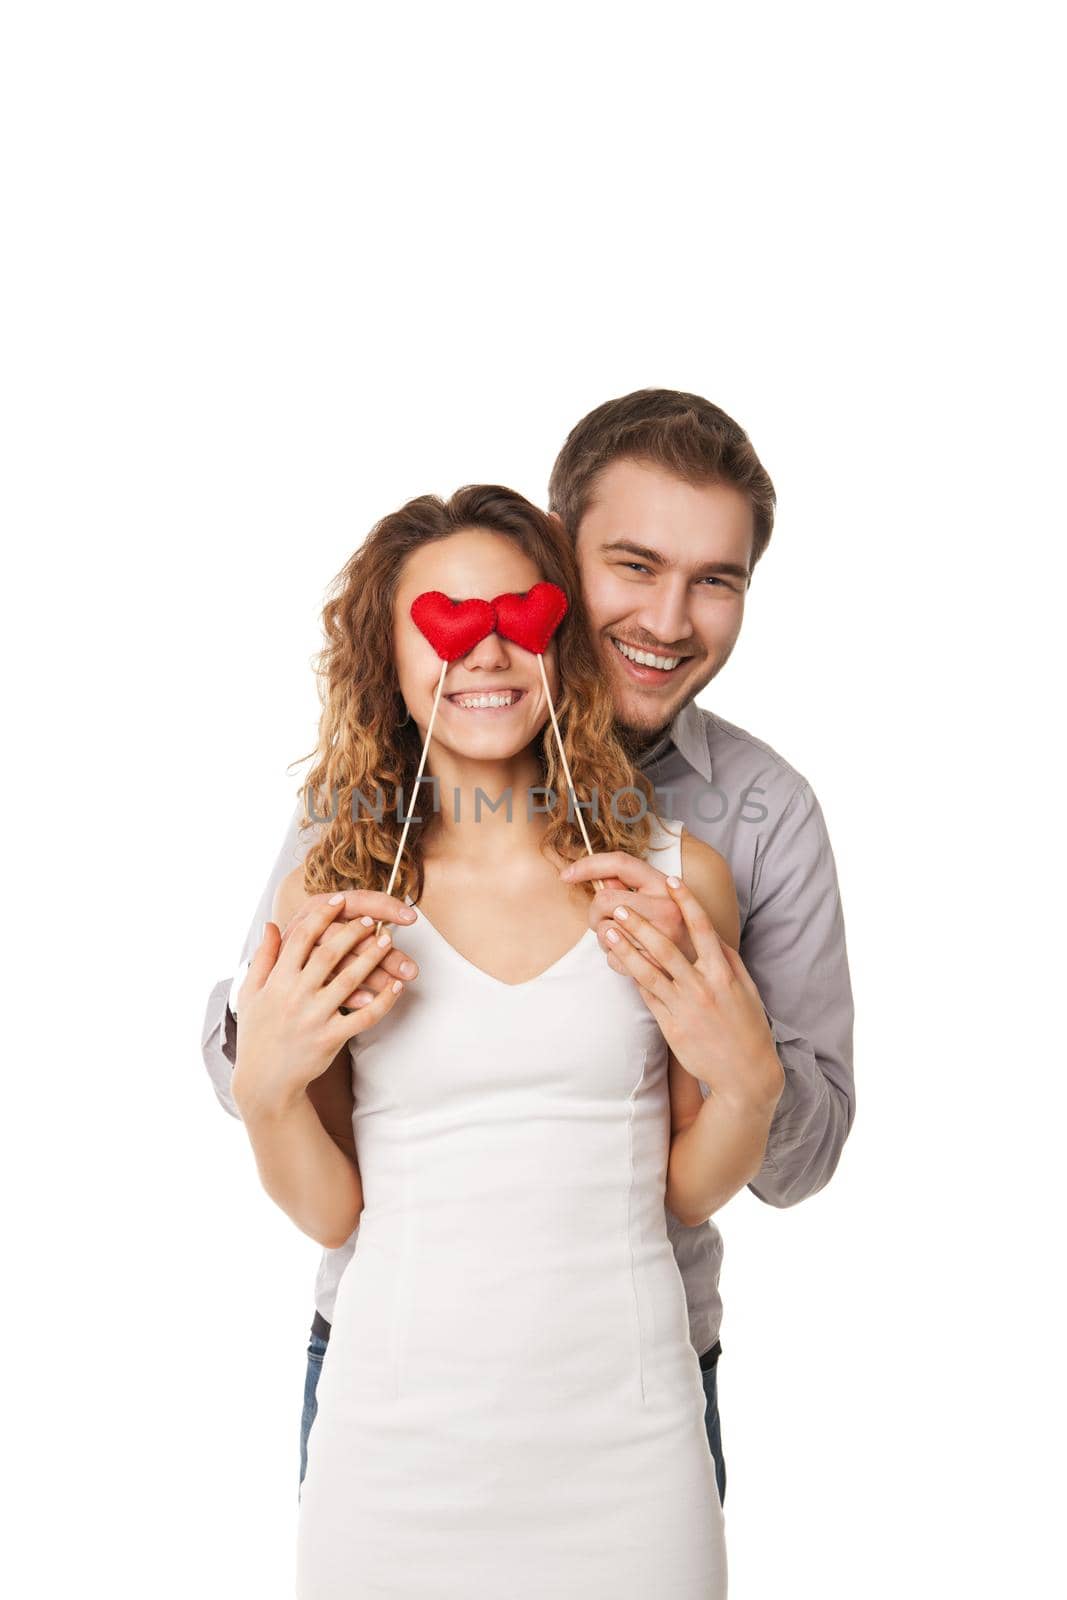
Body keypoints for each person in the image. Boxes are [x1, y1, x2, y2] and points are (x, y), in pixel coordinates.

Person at [202, 388, 856, 1511]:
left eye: (715, 580)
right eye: (634, 565)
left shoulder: (753, 815)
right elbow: (262, 1073)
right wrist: (261, 1050)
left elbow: (797, 1155)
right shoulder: (376, 797)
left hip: (637, 1378)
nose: (666, 618)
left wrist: (746, 1070)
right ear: (558, 554)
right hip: (392, 1378)